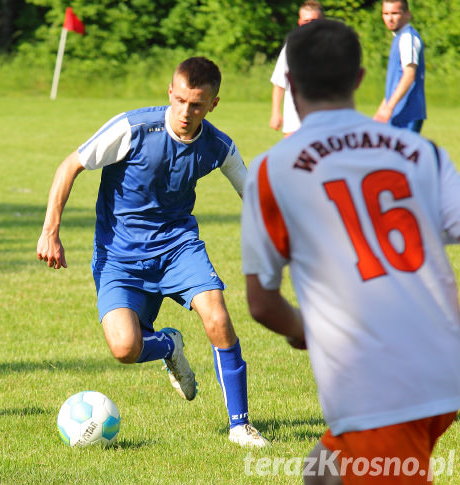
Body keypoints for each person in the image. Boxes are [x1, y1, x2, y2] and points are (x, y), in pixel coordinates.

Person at [242, 19, 460, 483]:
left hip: (380, 386)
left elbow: (261, 302)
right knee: (321, 473)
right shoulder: (423, 152)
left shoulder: (271, 170)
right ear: (360, 78)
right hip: (443, 362)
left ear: (291, 82)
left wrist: (304, 329)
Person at [37, 56, 268, 447]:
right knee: (125, 348)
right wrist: (50, 232)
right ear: (170, 93)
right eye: (179, 100)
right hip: (119, 257)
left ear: (213, 104)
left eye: (196, 105)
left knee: (217, 316)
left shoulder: (218, 146)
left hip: (178, 248)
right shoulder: (132, 128)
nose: (185, 111)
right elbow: (69, 166)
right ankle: (169, 345)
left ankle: (240, 426)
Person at [269, 0, 323, 137]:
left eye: (314, 20)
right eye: (306, 21)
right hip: (294, 119)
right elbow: (279, 83)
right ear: (300, 22)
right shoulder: (291, 48)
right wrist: (275, 113)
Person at [373, 0, 426, 132]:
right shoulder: (399, 37)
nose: (390, 18)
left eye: (395, 13)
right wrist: (382, 110)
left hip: (406, 113)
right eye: (386, 13)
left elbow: (409, 75)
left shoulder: (408, 37)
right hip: (396, 111)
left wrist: (389, 108)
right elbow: (395, 81)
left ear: (407, 14)